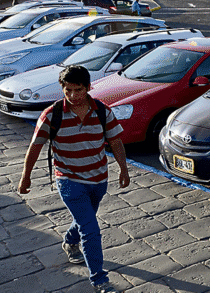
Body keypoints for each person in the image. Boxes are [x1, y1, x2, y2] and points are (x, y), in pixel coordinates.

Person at [19, 65, 129, 293]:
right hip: (69, 180)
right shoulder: (52, 114)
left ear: (88, 88)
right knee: (91, 229)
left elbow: (116, 142)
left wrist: (123, 169)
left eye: (77, 90)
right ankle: (100, 281)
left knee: (84, 220)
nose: (72, 96)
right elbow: (35, 147)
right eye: (67, 90)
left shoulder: (102, 111)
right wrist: (25, 177)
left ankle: (70, 241)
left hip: (99, 179)